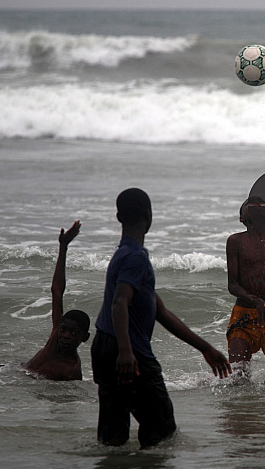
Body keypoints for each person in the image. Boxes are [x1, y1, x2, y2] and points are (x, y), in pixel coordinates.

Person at [91, 188, 231, 449]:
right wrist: (126, 351)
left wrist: (206, 348)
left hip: (104, 345)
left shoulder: (122, 254)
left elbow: (161, 312)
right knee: (162, 433)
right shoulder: (136, 257)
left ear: (119, 216)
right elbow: (119, 302)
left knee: (113, 437)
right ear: (149, 215)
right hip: (129, 353)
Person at [226, 196, 265, 381]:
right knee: (238, 378)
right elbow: (232, 285)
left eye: (261, 204)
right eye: (251, 205)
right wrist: (253, 299)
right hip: (243, 315)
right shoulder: (235, 242)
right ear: (242, 218)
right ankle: (245, 410)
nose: (256, 205)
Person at [23, 220, 90, 380]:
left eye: (74, 333)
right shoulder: (55, 339)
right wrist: (63, 247)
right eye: (63, 330)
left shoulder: (71, 370)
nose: (65, 336)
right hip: (4, 374)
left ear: (84, 338)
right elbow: (57, 290)